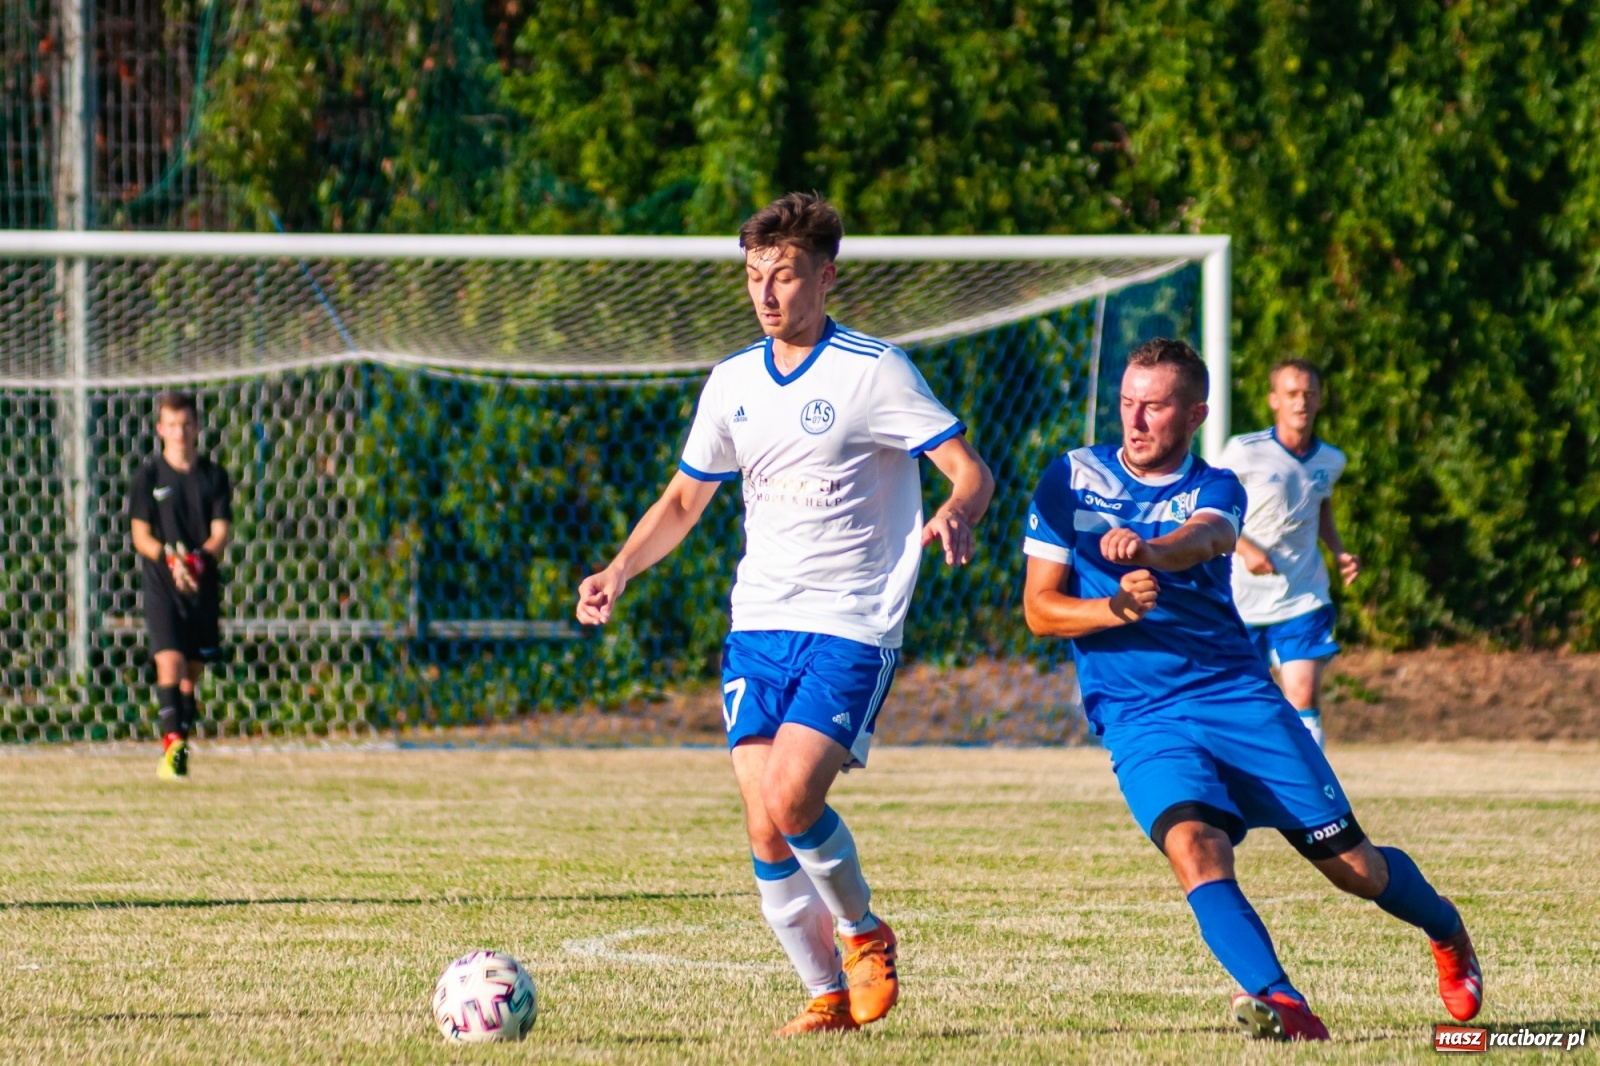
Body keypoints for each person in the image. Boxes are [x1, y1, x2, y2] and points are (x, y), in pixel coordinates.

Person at [575, 192, 994, 1034]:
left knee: (794, 796)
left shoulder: (873, 371)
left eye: (786, 275)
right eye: (755, 276)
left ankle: (864, 933)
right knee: (764, 822)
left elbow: (969, 469)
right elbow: (687, 497)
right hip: (758, 623)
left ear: (825, 277)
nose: (768, 293)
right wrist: (620, 568)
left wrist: (956, 511)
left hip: (851, 622)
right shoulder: (732, 381)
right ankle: (826, 994)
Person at [1020, 338, 1480, 1040]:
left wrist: (1148, 553)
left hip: (1234, 696)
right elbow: (1039, 608)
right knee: (1194, 845)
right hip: (1139, 714)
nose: (1135, 421)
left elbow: (1202, 540)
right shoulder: (1069, 478)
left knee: (1354, 868)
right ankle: (1284, 1003)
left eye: (1155, 406)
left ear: (1196, 413)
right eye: (1126, 404)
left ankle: (1445, 928)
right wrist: (1113, 608)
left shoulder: (1216, 487)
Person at [1218, 359, 1358, 747]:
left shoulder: (1331, 460)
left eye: (1309, 394)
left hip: (1302, 594)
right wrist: (1244, 549)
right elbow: (1208, 509)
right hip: (1243, 600)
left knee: (1302, 696)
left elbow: (1320, 508)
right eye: (1292, 394)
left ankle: (1313, 794)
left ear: (1320, 400)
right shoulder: (1244, 452)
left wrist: (1339, 551)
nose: (1301, 402)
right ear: (1273, 400)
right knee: (1245, 704)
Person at [128, 392, 233, 779]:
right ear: (160, 429)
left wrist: (197, 561)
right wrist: (170, 560)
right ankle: (171, 749)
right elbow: (140, 535)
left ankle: (180, 745)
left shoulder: (214, 477)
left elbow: (220, 534)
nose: (179, 432)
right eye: (171, 425)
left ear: (197, 427)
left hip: (201, 587)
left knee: (190, 674)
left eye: (186, 424)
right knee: (169, 662)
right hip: (162, 585)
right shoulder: (148, 478)